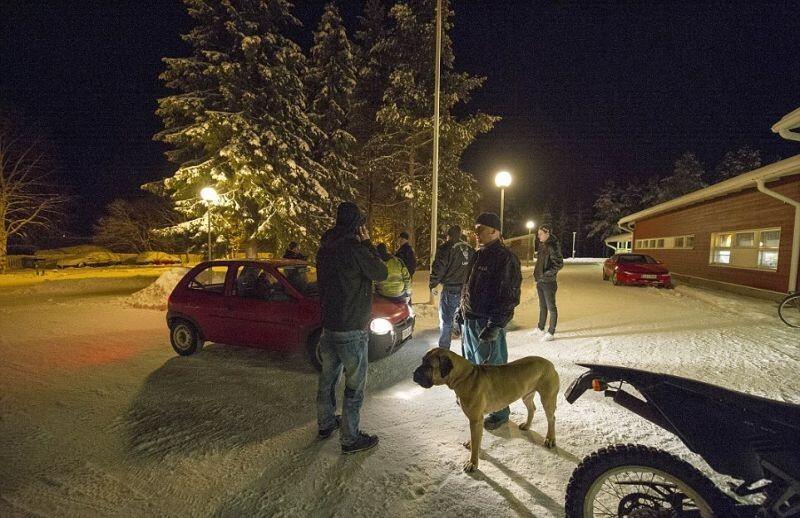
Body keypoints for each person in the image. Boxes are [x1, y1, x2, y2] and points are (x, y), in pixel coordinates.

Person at [316, 202, 388, 454]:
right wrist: (368, 244)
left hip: (329, 326)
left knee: (327, 378)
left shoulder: (325, 248)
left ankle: (326, 424)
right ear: (358, 225)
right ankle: (350, 438)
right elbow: (381, 272)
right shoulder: (355, 249)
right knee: (354, 386)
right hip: (352, 329)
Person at [456, 212, 521, 430]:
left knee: (494, 371)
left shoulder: (505, 258)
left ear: (494, 230)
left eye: (480, 229)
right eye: (475, 229)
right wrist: (461, 310)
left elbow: (509, 295)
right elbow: (467, 287)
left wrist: (495, 325)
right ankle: (478, 402)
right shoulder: (478, 254)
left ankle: (500, 412)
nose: (475, 233)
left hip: (487, 323)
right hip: (470, 321)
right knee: (473, 368)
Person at [429, 225, 474, 349]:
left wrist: (433, 284)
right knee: (464, 320)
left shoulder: (446, 247)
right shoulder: (469, 248)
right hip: (466, 290)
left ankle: (444, 349)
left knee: (446, 320)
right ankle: (467, 349)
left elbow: (439, 267)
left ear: (448, 236)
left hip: (451, 289)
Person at [532, 224, 564, 342]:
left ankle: (551, 332)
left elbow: (559, 264)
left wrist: (546, 274)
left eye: (540, 233)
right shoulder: (542, 244)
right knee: (542, 306)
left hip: (549, 282)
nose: (538, 236)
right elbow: (540, 262)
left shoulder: (553, 245)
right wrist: (537, 274)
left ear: (547, 233)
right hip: (540, 281)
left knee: (551, 307)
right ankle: (540, 328)